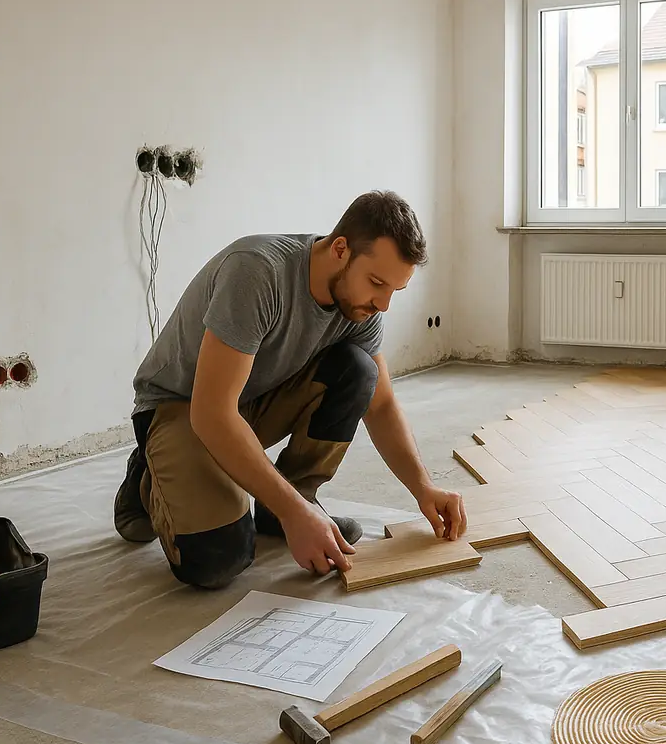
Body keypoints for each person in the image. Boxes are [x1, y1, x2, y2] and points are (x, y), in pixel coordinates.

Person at [113, 190, 466, 589]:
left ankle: (291, 498)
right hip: (182, 407)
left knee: (358, 370)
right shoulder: (256, 274)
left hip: (245, 405)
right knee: (218, 561)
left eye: (393, 291)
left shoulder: (361, 307)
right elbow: (211, 413)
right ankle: (146, 479)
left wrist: (424, 488)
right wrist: (294, 514)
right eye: (376, 283)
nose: (382, 304)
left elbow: (381, 406)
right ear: (340, 249)